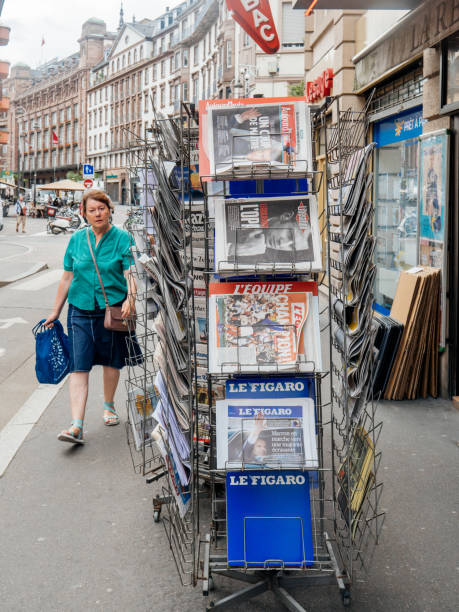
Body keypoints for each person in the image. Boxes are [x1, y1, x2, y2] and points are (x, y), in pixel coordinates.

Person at [44, 189, 142, 445]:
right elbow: (67, 277)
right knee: (79, 365)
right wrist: (55, 311)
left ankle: (109, 406)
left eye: (102, 208)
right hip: (79, 309)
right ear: (84, 213)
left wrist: (131, 298)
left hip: (113, 310)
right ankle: (76, 425)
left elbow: (131, 273)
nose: (98, 213)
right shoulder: (77, 239)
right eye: (92, 210)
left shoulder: (122, 238)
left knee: (111, 361)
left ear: (109, 210)